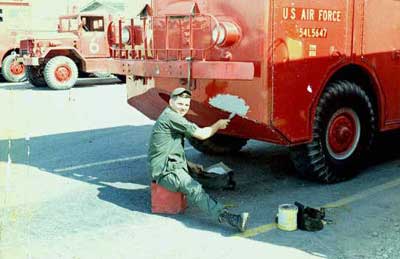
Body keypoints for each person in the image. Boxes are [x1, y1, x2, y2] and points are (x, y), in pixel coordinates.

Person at [148, 87, 249, 232]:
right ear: (171, 102)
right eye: (180, 104)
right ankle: (229, 218)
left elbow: (177, 145)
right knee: (194, 188)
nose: (183, 108)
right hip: (165, 172)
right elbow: (202, 134)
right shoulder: (172, 118)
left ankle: (217, 191)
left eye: (186, 105)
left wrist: (189, 165)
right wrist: (218, 125)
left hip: (171, 164)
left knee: (202, 175)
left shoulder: (170, 115)